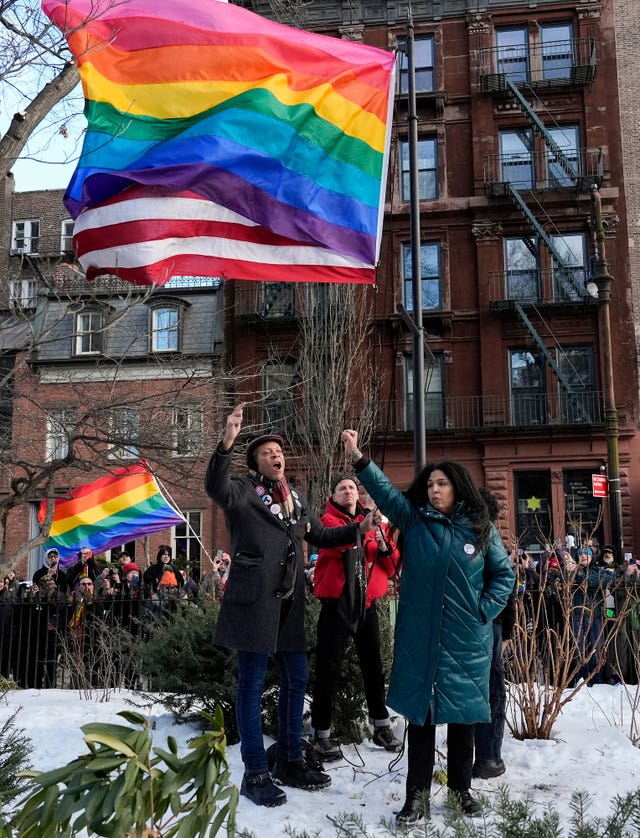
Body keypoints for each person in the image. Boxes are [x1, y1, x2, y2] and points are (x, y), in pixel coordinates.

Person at [204, 403, 374, 808]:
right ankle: (255, 771)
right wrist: (227, 439)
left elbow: (320, 536)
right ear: (255, 462)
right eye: (266, 452)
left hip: (289, 603)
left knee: (297, 676)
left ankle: (290, 757)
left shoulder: (294, 498)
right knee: (252, 683)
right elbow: (215, 487)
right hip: (254, 600)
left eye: (277, 451)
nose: (275, 455)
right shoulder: (243, 491)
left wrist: (359, 527)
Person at [341, 429, 515, 824]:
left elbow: (503, 576)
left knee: (461, 721)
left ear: (458, 488)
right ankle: (415, 800)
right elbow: (386, 494)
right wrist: (359, 458)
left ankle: (460, 793)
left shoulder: (479, 528)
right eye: (431, 484)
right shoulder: (415, 521)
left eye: (443, 484)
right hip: (420, 639)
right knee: (421, 719)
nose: (435, 490)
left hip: (467, 639)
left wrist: (482, 611)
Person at [310, 475, 401, 760]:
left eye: (352, 487)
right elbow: (337, 544)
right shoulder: (328, 521)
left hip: (366, 604)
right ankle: (321, 733)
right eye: (342, 488)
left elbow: (390, 564)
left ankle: (381, 725)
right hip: (337, 605)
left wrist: (385, 544)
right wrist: (363, 529)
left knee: (373, 667)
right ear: (333, 496)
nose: (348, 491)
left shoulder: (372, 521)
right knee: (328, 669)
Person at [472, 489, 516, 780]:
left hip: (482, 623)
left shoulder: (470, 537)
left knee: (481, 688)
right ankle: (488, 756)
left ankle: (485, 756)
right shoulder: (490, 538)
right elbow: (507, 586)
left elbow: (506, 584)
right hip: (490, 623)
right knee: (490, 689)